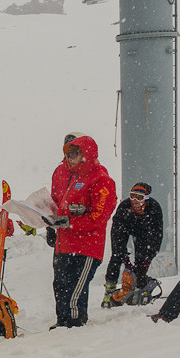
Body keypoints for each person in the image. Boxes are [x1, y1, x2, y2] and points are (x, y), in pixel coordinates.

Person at [42, 135, 117, 328]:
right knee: (60, 285)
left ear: (86, 154)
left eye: (74, 154)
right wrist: (50, 219)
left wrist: (69, 221)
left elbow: (98, 217)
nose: (70, 159)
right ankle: (63, 322)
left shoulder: (101, 179)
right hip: (64, 243)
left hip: (87, 245)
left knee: (75, 287)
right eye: (67, 154)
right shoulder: (70, 177)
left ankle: (74, 324)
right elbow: (58, 205)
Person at [102, 182, 164, 307]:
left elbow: (157, 234)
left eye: (139, 198)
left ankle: (138, 286)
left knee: (142, 258)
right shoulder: (124, 206)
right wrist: (124, 258)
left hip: (144, 231)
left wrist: (150, 255)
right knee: (116, 256)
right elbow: (117, 234)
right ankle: (109, 292)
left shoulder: (154, 207)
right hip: (124, 227)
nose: (135, 200)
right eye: (132, 196)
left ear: (146, 199)